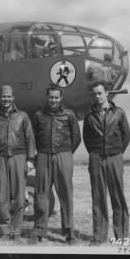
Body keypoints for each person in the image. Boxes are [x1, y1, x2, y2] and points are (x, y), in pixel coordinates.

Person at [30, 85, 81, 245]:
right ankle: (39, 229)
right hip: (43, 156)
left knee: (66, 194)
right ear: (47, 97)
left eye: (56, 97)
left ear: (61, 98)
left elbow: (76, 137)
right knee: (41, 194)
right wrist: (37, 155)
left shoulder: (69, 114)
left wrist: (65, 153)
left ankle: (69, 231)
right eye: (51, 97)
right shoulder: (38, 115)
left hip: (63, 156)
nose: (53, 100)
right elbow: (32, 138)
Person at [0, 85, 36, 241]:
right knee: (2, 197)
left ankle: (17, 231)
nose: (6, 99)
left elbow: (30, 139)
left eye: (8, 96)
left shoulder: (23, 116)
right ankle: (6, 232)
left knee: (20, 197)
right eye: (3, 97)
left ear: (13, 98)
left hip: (18, 157)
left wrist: (30, 159)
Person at [83, 81, 130, 246]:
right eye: (95, 94)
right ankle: (99, 236)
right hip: (96, 158)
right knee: (98, 197)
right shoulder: (89, 116)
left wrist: (117, 151)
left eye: (100, 93)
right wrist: (95, 153)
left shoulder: (119, 113)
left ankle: (122, 236)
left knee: (118, 197)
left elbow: (127, 135)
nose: (97, 96)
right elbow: (87, 139)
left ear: (107, 93)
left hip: (115, 157)